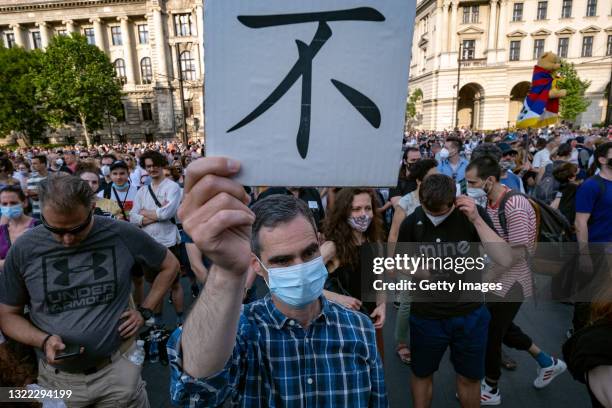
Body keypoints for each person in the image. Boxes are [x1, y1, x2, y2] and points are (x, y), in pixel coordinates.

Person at [168, 158, 387, 407]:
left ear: (319, 242)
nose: (300, 268)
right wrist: (227, 272)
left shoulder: (359, 328)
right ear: (256, 266)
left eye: (308, 252)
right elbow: (195, 394)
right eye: (282, 260)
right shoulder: (241, 331)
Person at [0, 172, 179, 407]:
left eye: (76, 229)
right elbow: (7, 315)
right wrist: (43, 341)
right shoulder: (24, 249)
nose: (66, 240)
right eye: (54, 229)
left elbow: (170, 265)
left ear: (92, 208)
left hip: (118, 374)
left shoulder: (120, 233)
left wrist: (145, 311)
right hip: (56, 383)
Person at [398, 174, 512, 408]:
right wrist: (429, 273)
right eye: (428, 210)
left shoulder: (471, 215)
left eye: (439, 213)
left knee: (470, 378)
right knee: (421, 374)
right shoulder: (412, 221)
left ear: (453, 201)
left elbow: (504, 257)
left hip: (469, 314)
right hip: (427, 316)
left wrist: (477, 220)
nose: (433, 217)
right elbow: (399, 261)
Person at [465, 156, 567, 406]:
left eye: (472, 182)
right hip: (498, 279)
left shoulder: (515, 205)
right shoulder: (490, 200)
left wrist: (486, 279)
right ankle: (547, 362)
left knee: (491, 333)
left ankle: (491, 387)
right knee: (504, 329)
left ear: (489, 180)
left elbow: (516, 253)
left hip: (511, 283)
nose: (468, 186)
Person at [320, 188, 387, 356]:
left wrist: (382, 305)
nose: (363, 214)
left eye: (368, 208)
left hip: (370, 323)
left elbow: (379, 279)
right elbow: (300, 283)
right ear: (344, 212)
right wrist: (338, 298)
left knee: (375, 374)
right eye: (356, 209)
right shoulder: (331, 247)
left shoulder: (374, 241)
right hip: (341, 327)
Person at [387, 158, 437, 364]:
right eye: (432, 177)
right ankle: (401, 342)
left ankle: (425, 339)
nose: (438, 180)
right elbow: (394, 234)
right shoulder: (406, 202)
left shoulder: (440, 198)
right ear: (419, 181)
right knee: (407, 302)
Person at [131, 150, 184, 326]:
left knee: (174, 284)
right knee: (155, 286)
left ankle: (180, 319)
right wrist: (152, 215)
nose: (152, 169)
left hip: (168, 241)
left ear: (162, 165)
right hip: (148, 244)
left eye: (155, 165)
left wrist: (145, 215)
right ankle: (159, 323)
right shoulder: (142, 190)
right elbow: (133, 217)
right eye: (148, 166)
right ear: (144, 168)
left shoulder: (172, 187)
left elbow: (167, 213)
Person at [573, 142, 612, 331]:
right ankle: (578, 336)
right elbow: (580, 223)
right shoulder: (591, 186)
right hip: (597, 250)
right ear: (603, 160)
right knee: (587, 299)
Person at [0, 186, 39, 271]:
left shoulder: (38, 226)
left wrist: (5, 263)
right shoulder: (1, 230)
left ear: (24, 202)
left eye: (13, 203)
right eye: (4, 204)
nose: (9, 207)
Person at [551, 162, 579, 227]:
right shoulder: (574, 188)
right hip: (570, 223)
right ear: (571, 177)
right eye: (576, 173)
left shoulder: (561, 188)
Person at [26, 155, 49, 220]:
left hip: (54, 211)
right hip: (38, 212)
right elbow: (34, 197)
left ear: (43, 164)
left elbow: (59, 193)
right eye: (32, 164)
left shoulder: (54, 177)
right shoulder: (31, 178)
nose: (32, 166)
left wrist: (38, 191)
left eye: (35, 163)